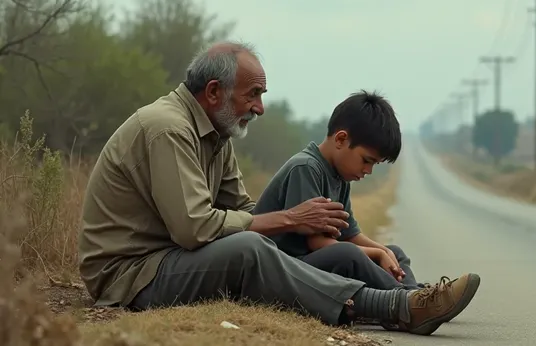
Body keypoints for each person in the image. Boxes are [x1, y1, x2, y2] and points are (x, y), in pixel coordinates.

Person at [77, 41, 481, 336]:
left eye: (261, 96)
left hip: (171, 261)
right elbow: (193, 228)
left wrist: (290, 226)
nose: (259, 107)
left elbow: (246, 212)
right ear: (214, 91)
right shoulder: (168, 129)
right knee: (251, 248)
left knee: (262, 247)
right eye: (252, 95)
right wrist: (290, 218)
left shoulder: (215, 136)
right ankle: (398, 306)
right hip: (130, 275)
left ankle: (408, 299)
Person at [253, 90, 445, 295]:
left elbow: (351, 235)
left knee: (395, 253)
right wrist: (376, 253)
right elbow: (317, 242)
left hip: (311, 261)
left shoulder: (340, 177)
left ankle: (414, 293)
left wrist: (384, 251)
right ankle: (406, 299)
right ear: (341, 139)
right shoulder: (306, 167)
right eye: (366, 160)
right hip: (286, 266)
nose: (368, 171)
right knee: (348, 254)